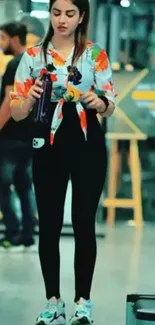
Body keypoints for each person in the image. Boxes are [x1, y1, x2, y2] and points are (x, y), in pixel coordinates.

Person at [10, 0, 116, 323]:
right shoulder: (31, 57)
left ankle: (83, 301)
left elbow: (110, 104)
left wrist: (98, 101)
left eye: (70, 14)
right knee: (50, 224)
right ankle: (52, 301)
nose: (62, 20)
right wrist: (29, 98)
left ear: (81, 16)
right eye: (56, 13)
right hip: (47, 141)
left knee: (84, 220)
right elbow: (15, 112)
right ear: (50, 14)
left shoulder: (94, 54)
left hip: (87, 141)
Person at [0, 22, 36, 251]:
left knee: (2, 185)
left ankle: (12, 231)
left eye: (2, 38)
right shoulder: (33, 62)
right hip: (28, 135)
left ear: (14, 39)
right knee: (24, 185)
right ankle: (28, 233)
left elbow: (9, 102)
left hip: (10, 136)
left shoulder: (15, 63)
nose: (1, 43)